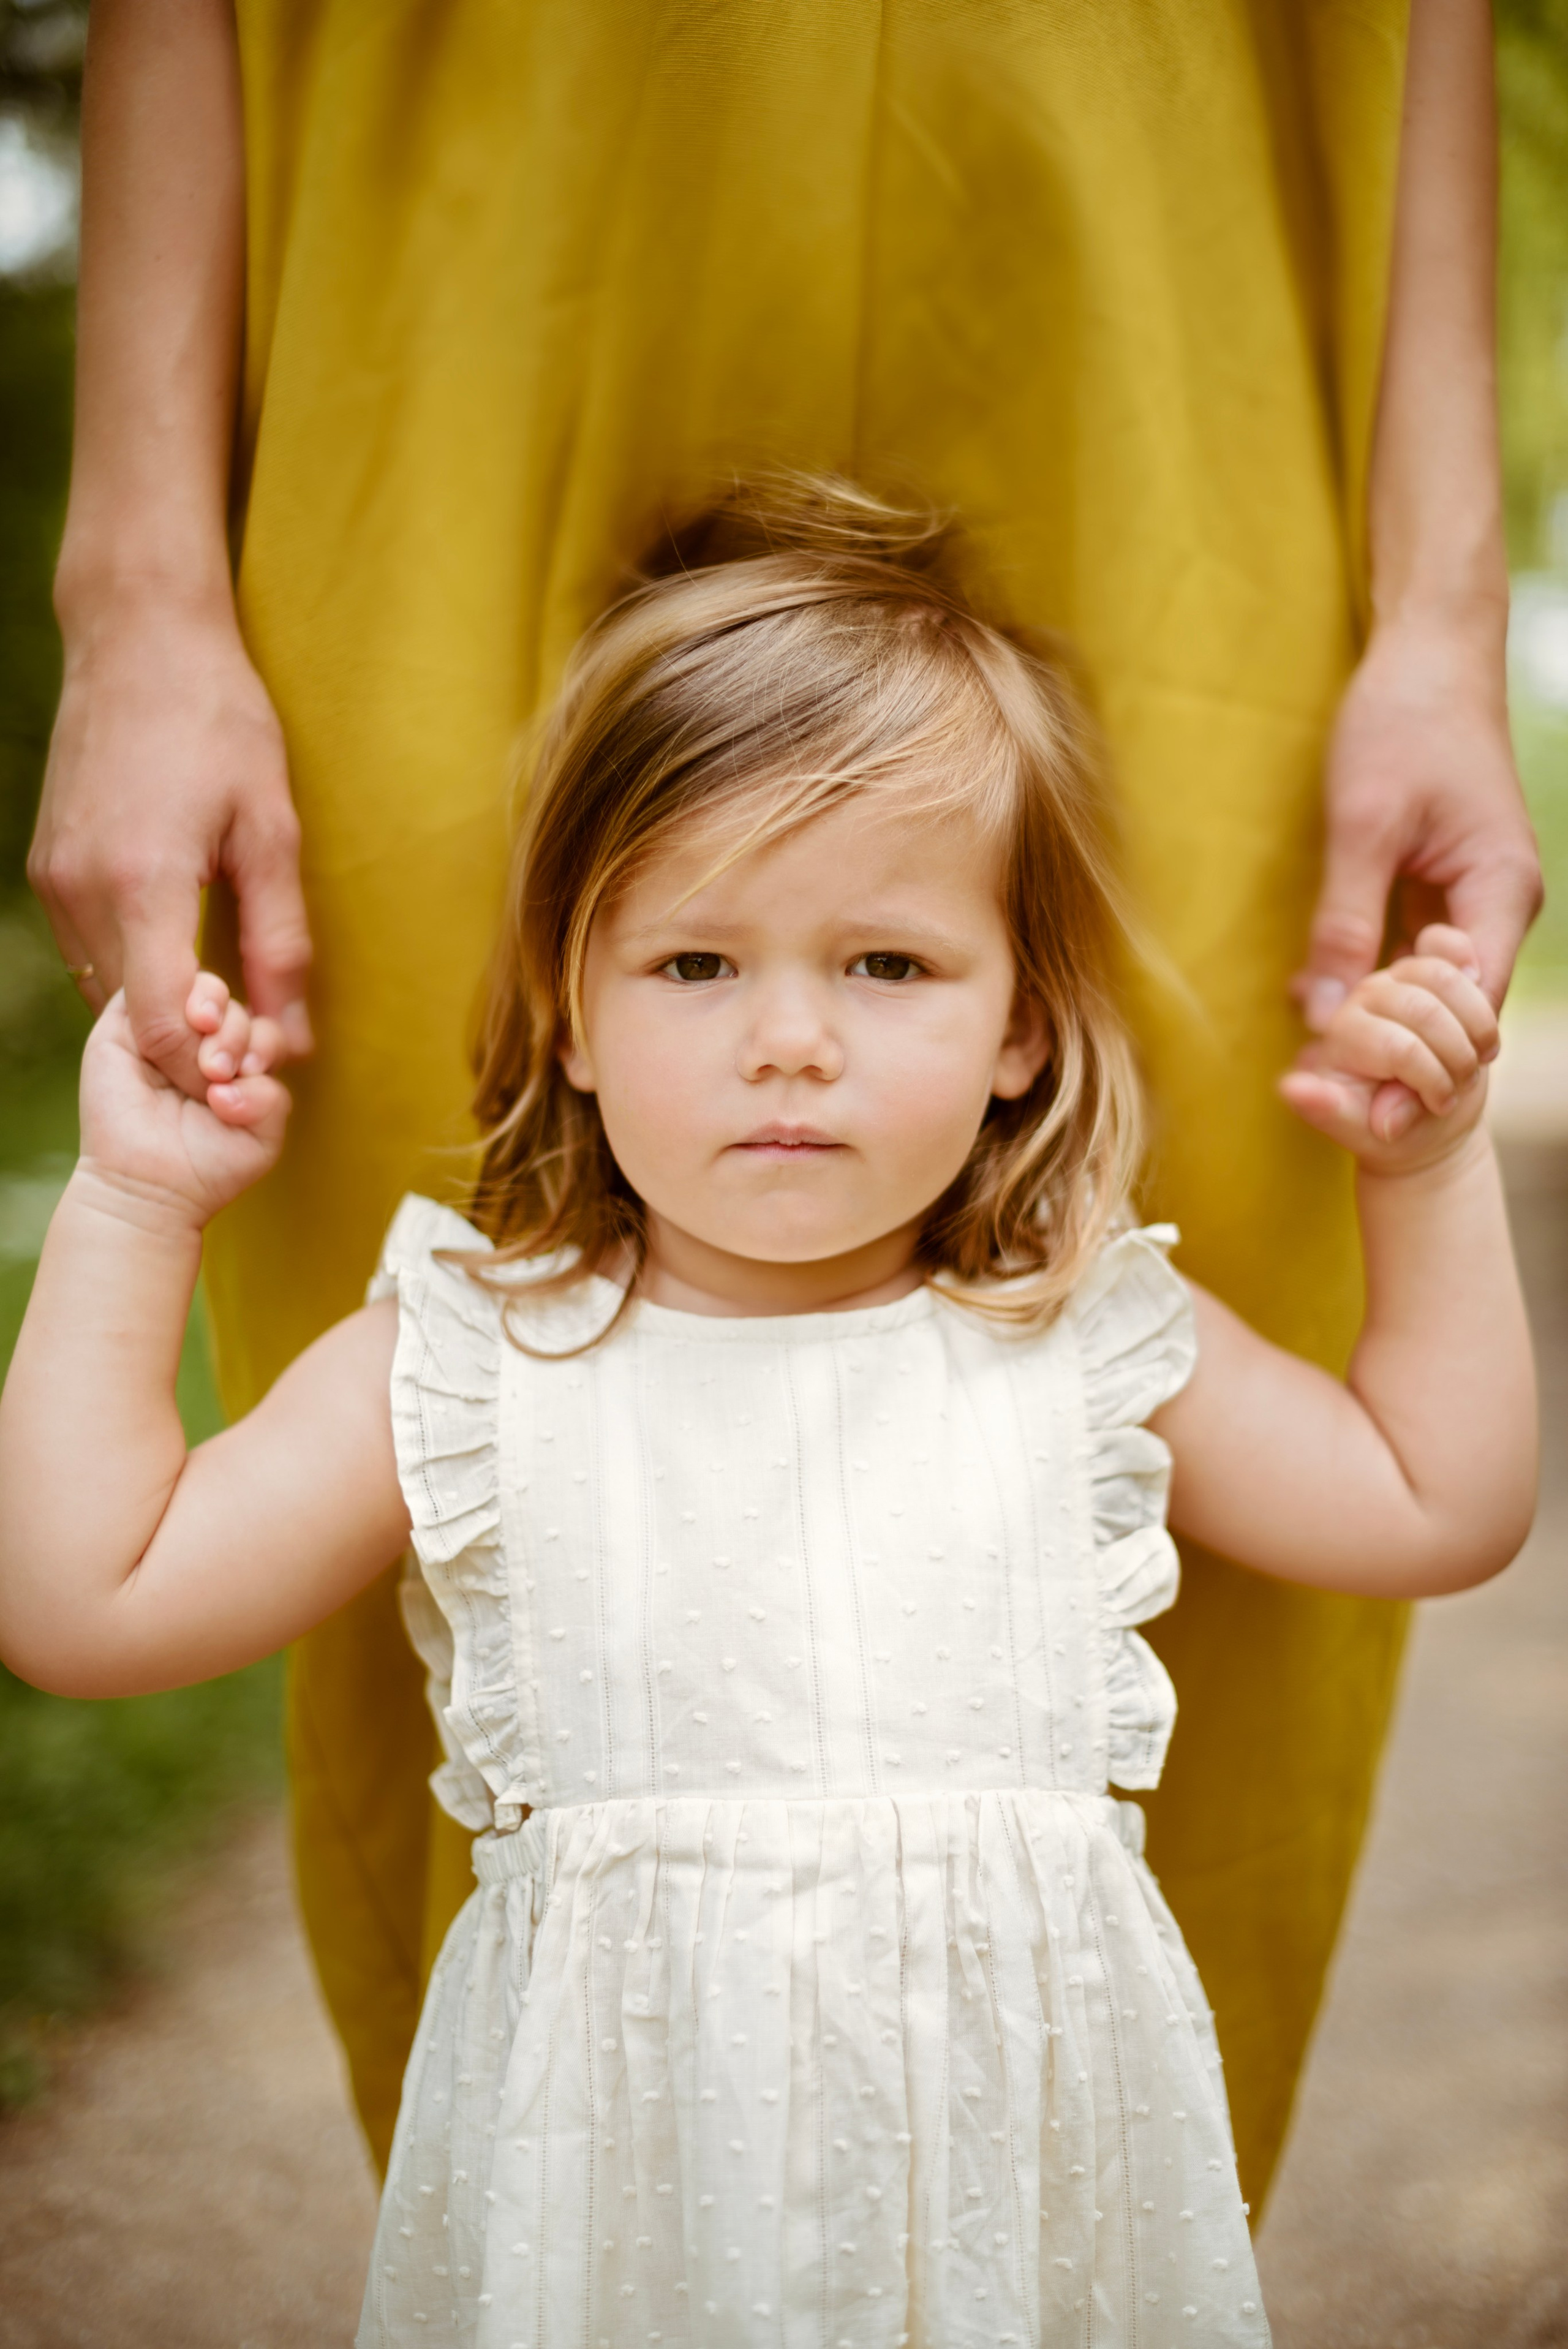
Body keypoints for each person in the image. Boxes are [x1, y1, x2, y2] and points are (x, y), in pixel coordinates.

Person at [25, 0, 1542, 2195]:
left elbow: (1437, 1503)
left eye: (893, 964)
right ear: (558, 1001)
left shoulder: (1085, 1330)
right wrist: (133, 1202)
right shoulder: (469, 1356)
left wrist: (1417, 1170)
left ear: (1033, 1018)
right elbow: (84, 1599)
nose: (793, 1035)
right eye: (699, 962)